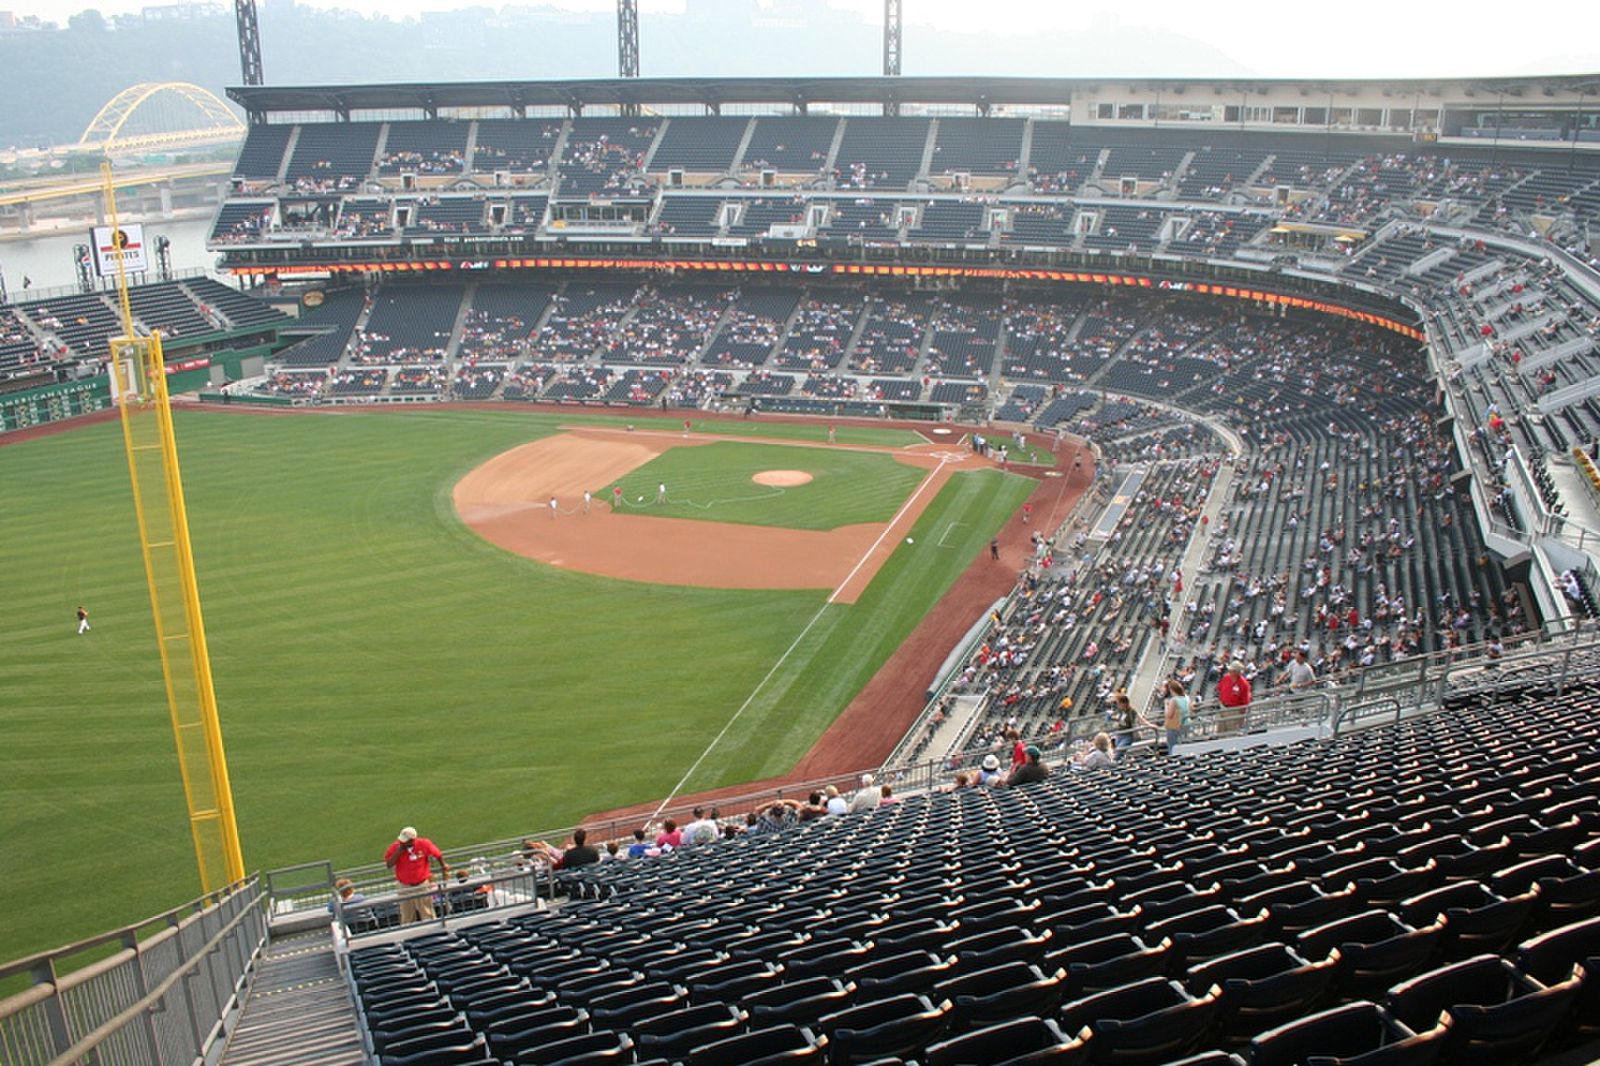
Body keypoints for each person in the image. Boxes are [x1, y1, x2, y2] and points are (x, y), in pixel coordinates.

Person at [384, 826, 449, 924]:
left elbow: (438, 854)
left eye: (405, 841)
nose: (402, 843)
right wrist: (398, 852)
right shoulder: (395, 847)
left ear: (412, 840)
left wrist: (443, 865)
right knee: (407, 916)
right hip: (404, 886)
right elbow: (389, 864)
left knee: (427, 913)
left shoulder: (424, 844)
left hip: (422, 884)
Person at [1216, 660, 1252, 735]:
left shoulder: (1244, 684)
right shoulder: (1226, 678)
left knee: (1231, 732)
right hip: (1223, 707)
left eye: (1231, 670)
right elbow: (1219, 688)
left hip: (1234, 711)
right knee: (1220, 731)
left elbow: (1245, 703)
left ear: (1237, 672)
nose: (1229, 671)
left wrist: (1241, 718)